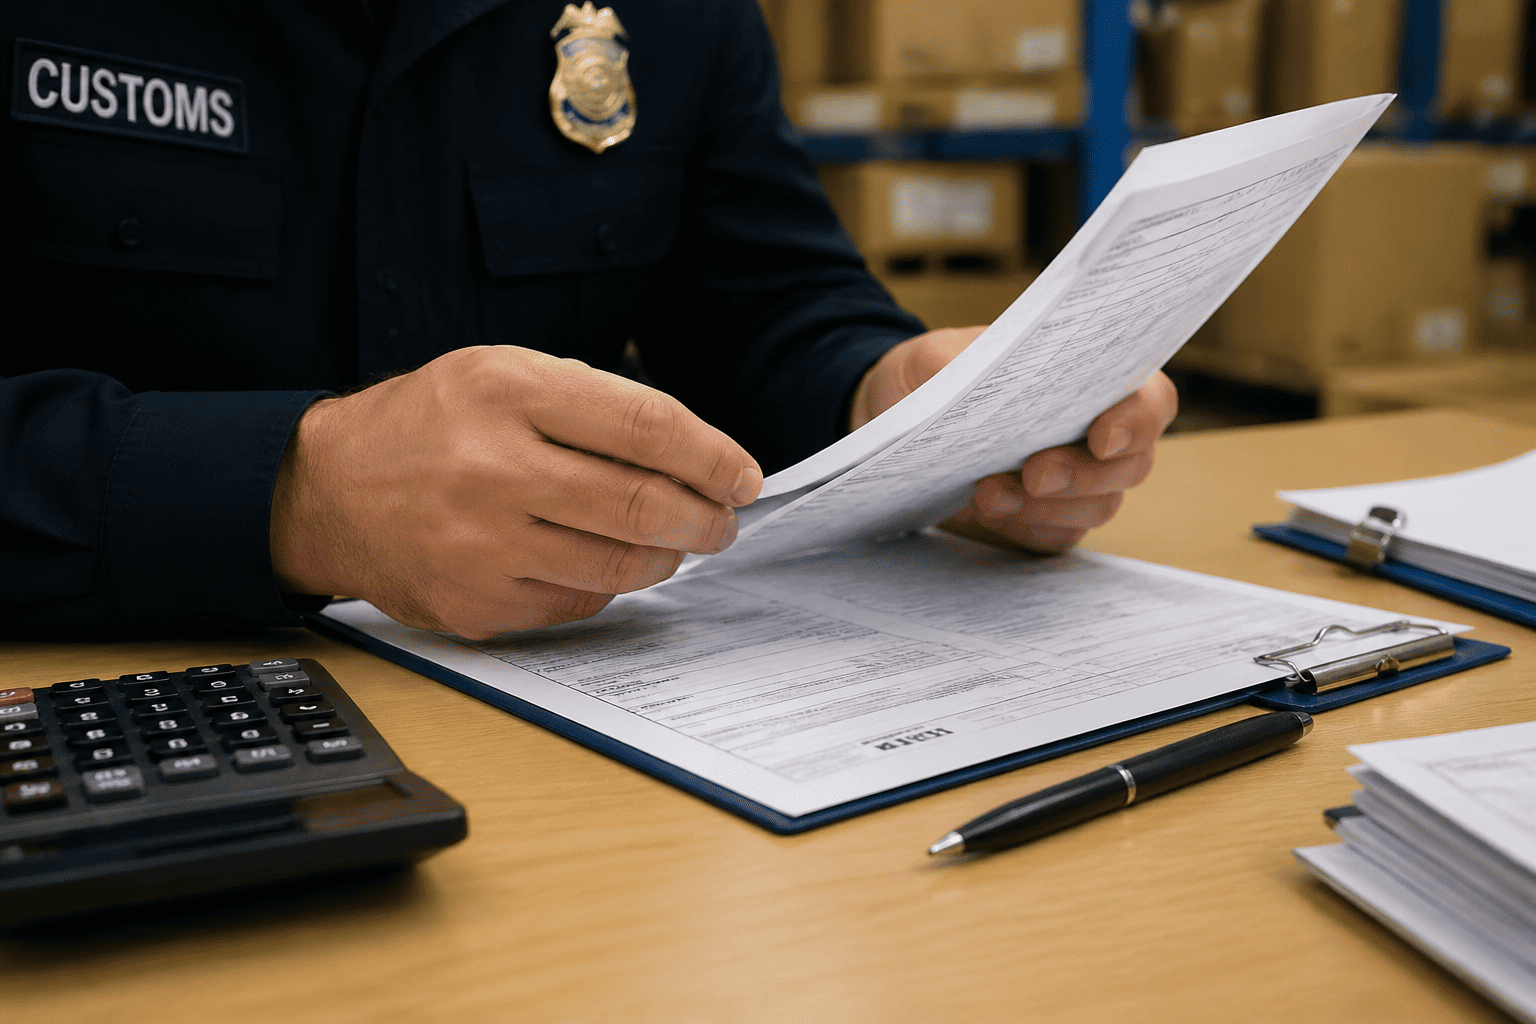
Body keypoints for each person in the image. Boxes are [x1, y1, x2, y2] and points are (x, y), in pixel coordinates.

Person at [0, 0, 1176, 641]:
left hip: (580, 722)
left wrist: (905, 408)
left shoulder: (680, 20)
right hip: (127, 700)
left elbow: (764, 305)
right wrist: (289, 497)